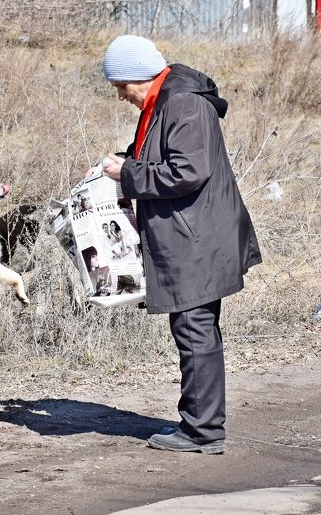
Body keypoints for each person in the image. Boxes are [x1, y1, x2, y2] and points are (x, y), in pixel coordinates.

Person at [96, 34, 262, 453]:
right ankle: (199, 424)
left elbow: (187, 171)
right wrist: (124, 163)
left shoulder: (182, 103)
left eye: (121, 87)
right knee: (194, 329)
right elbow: (161, 156)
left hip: (197, 237)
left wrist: (128, 176)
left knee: (194, 330)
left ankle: (201, 431)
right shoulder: (165, 100)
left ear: (138, 76)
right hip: (196, 232)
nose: (121, 97)